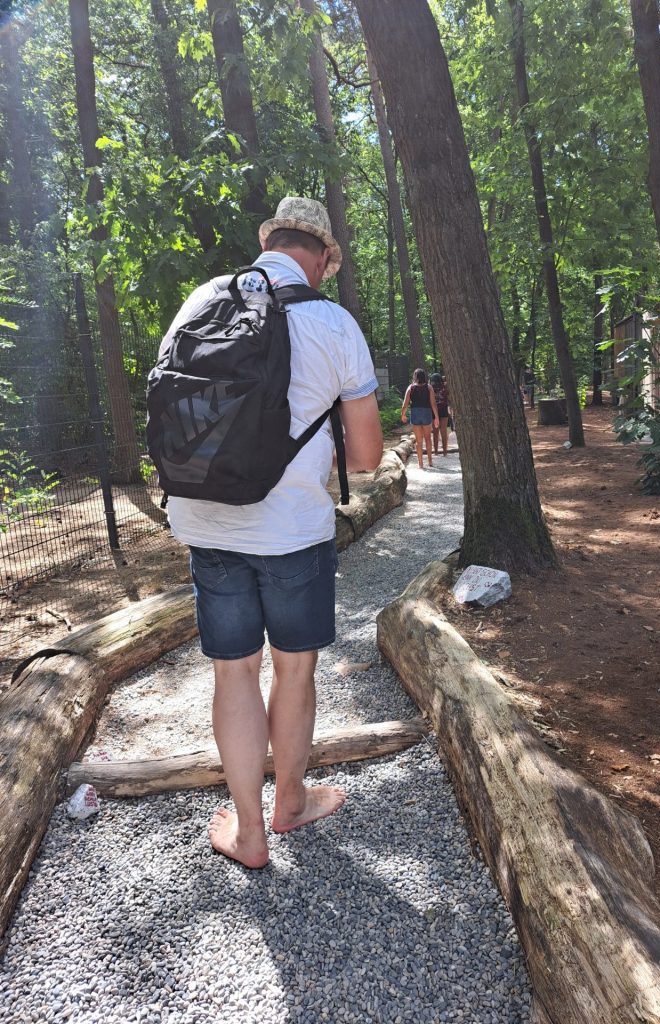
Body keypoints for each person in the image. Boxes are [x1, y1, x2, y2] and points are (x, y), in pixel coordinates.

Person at [161, 197, 383, 868]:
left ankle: (249, 834)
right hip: (291, 530)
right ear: (317, 256)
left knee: (233, 675)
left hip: (204, 520)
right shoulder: (331, 321)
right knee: (293, 670)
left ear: (269, 244)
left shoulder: (201, 300)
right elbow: (368, 457)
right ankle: (290, 803)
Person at [401, 368, 439, 469]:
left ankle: (421, 463)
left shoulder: (411, 388)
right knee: (428, 439)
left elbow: (405, 403)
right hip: (426, 413)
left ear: (415, 376)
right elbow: (433, 404)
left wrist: (403, 414)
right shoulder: (429, 387)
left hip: (415, 413)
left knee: (418, 441)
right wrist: (436, 417)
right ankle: (430, 462)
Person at [429, 372, 451, 455]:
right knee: (443, 431)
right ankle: (445, 451)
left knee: (435, 432)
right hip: (444, 410)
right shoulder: (445, 388)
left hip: (433, 411)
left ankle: (436, 451)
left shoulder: (430, 388)